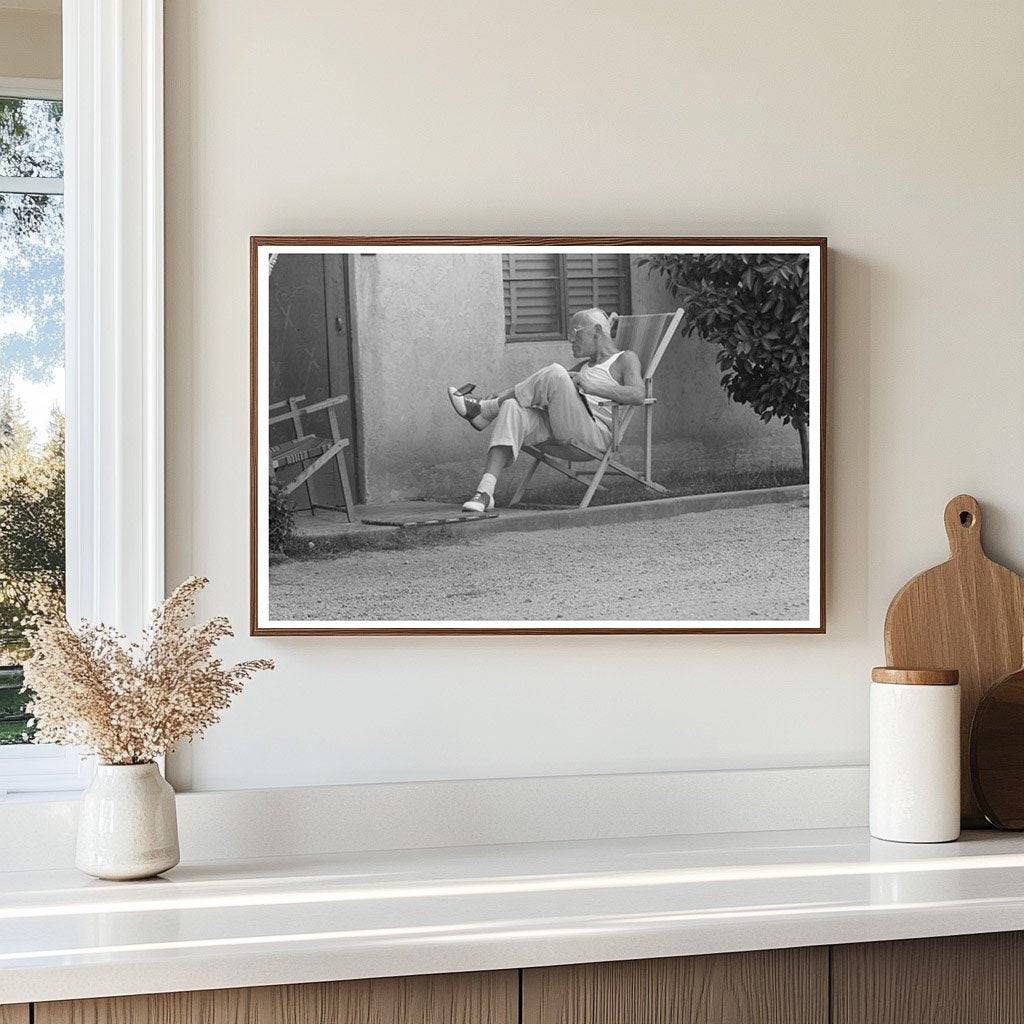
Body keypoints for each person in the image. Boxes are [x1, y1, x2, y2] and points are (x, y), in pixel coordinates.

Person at [446, 308, 645, 512]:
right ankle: (485, 492)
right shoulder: (583, 366)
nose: (571, 339)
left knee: (556, 372)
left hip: (595, 435)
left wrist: (593, 387)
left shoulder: (625, 358)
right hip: (563, 428)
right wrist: (506, 395)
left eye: (575, 333)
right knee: (512, 406)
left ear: (596, 331)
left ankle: (485, 410)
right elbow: (544, 388)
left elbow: (638, 394)